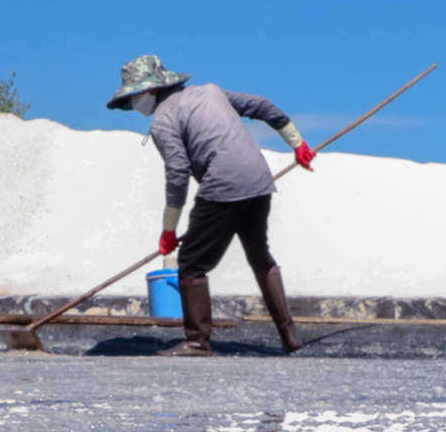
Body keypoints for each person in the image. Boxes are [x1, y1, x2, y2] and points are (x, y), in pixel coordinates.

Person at [107, 55, 315, 357]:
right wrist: (297, 143)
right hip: (258, 180)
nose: (135, 103)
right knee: (260, 255)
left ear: (151, 91)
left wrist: (168, 231)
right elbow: (265, 107)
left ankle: (197, 341)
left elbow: (177, 172)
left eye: (135, 96)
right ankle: (289, 336)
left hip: (223, 184)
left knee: (191, 262)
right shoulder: (212, 92)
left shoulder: (163, 120)